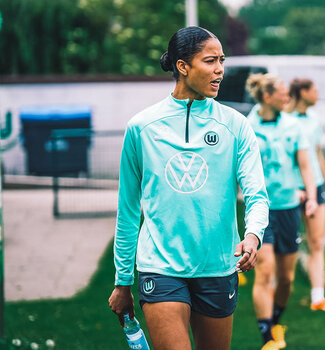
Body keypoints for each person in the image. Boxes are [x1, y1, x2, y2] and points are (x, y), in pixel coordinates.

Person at [108, 26, 269, 350]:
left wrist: (253, 235)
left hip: (219, 266)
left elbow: (256, 194)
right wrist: (122, 280)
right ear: (182, 66)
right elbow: (127, 211)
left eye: (221, 60)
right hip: (160, 266)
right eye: (210, 61)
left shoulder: (236, 125)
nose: (220, 69)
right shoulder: (142, 128)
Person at [246, 73, 318, 350]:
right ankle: (266, 337)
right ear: (267, 97)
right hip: (260, 211)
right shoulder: (247, 127)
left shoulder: (293, 125)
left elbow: (305, 165)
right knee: (265, 273)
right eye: (283, 92)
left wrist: (310, 197)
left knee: (286, 279)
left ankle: (275, 319)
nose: (288, 97)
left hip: (288, 208)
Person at [287, 78, 325, 313]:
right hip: (290, 190)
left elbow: (318, 155)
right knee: (284, 247)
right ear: (302, 93)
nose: (318, 94)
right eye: (314, 90)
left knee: (317, 243)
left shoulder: (314, 119)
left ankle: (317, 297)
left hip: (316, 187)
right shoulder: (284, 120)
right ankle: (277, 296)